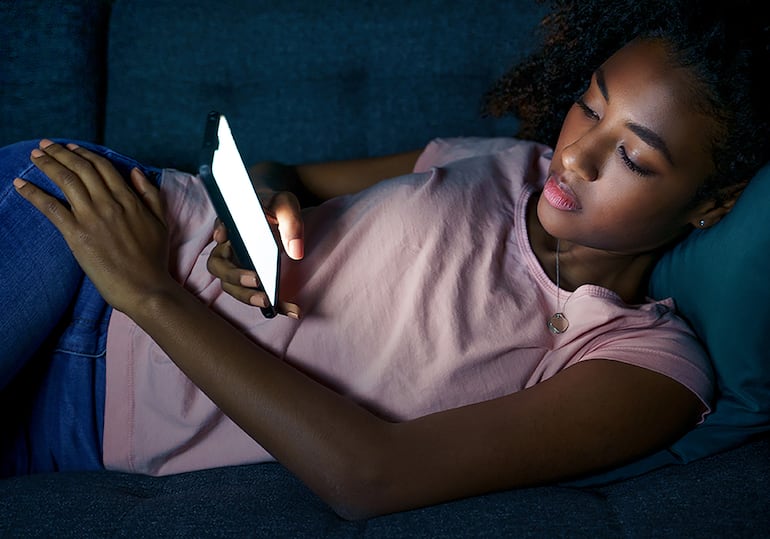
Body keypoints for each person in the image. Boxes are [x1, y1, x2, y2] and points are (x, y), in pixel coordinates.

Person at [1, 0, 769, 521]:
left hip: (100, 402)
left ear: (712, 203)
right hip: (92, 236)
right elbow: (286, 174)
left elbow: (370, 476)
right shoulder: (506, 162)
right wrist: (261, 214)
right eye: (591, 107)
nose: (575, 157)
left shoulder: (646, 365)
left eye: (633, 155)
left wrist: (147, 293)